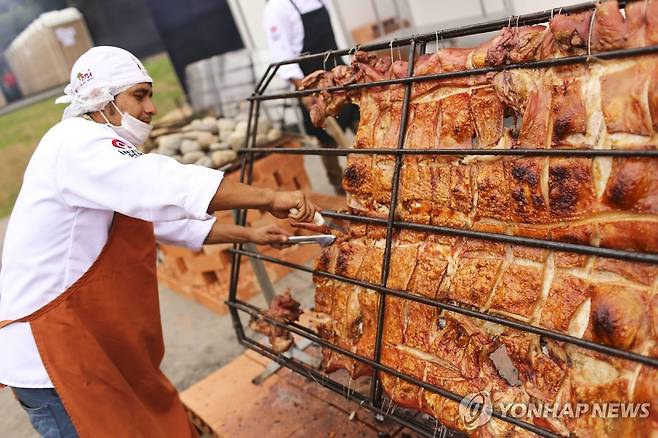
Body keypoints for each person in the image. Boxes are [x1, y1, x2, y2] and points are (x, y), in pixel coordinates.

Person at [0, 46, 318, 438]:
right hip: (55, 359)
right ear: (102, 99)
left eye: (150, 94)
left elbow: (162, 223)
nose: (151, 108)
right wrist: (270, 198)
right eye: (139, 95)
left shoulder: (91, 155)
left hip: (86, 347)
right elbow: (162, 184)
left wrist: (251, 233)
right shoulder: (76, 144)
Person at [263, 0, 359, 195]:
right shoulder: (277, 8)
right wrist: (305, 90)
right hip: (311, 80)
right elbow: (282, 56)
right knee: (327, 138)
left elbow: (334, 36)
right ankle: (340, 186)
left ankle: (374, 170)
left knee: (361, 120)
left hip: (339, 71)